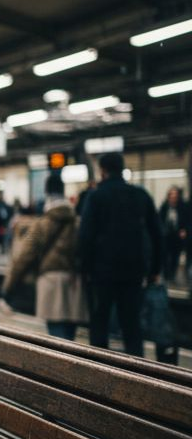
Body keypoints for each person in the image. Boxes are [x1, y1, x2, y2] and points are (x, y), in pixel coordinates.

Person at [78, 153, 162, 357]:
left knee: (100, 325)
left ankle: (99, 368)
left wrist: (84, 269)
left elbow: (85, 236)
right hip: (134, 272)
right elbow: (157, 235)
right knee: (132, 326)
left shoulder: (96, 197)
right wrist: (154, 269)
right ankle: (135, 369)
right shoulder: (140, 195)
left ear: (102, 171)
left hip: (101, 273)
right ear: (122, 169)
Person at [1, 174, 87, 340]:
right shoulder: (77, 222)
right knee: (70, 337)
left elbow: (25, 255)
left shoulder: (41, 224)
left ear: (47, 193)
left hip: (50, 281)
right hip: (74, 282)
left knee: (56, 338)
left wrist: (8, 288)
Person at [158, 187, 189, 282]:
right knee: (165, 256)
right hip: (166, 236)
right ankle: (166, 275)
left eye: (175, 195)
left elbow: (186, 220)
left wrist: (184, 230)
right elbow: (159, 220)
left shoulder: (182, 208)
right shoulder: (164, 207)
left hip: (177, 236)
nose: (173, 197)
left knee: (175, 256)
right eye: (172, 195)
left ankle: (172, 275)